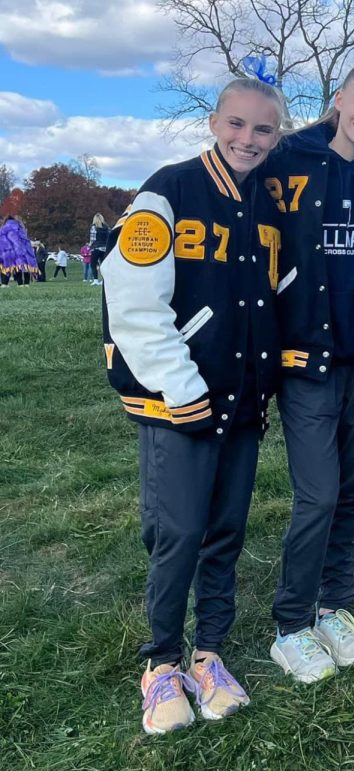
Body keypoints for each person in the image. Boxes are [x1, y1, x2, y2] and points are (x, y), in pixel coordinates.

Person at [101, 76, 286, 734]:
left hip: (241, 400)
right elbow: (132, 303)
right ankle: (159, 663)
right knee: (178, 531)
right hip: (177, 401)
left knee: (226, 531)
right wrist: (180, 387)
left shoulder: (267, 203)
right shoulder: (168, 189)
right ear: (214, 121)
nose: (248, 138)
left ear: (277, 136)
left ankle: (209, 653)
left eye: (263, 130)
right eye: (237, 124)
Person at [265, 59, 354, 683]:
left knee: (353, 493)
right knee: (317, 493)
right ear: (340, 97)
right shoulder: (286, 158)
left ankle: (334, 607)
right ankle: (291, 623)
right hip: (306, 362)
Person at [0, 216, 39, 286]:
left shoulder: (3, 228)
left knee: (6, 266)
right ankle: (25, 283)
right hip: (22, 250)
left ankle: (5, 283)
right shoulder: (20, 228)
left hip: (7, 251)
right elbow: (25, 240)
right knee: (24, 265)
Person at [90, 212, 111, 285]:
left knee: (93, 264)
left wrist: (91, 247)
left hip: (96, 248)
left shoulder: (94, 227)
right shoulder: (107, 227)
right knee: (103, 265)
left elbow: (92, 239)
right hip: (104, 248)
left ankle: (95, 280)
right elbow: (109, 237)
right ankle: (104, 280)